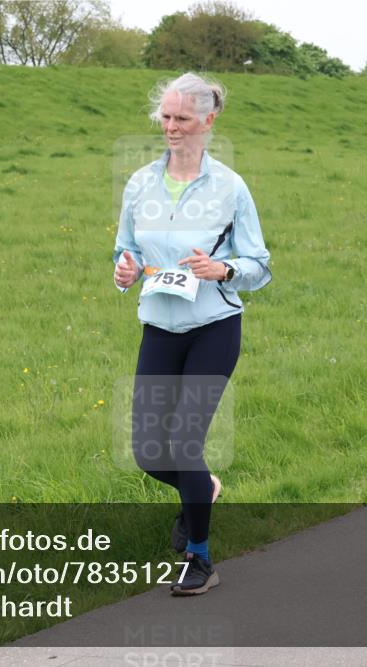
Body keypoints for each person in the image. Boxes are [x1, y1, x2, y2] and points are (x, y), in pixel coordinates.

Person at [113, 73, 271, 594]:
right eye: (166, 117)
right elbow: (125, 248)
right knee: (148, 452)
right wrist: (125, 268)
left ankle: (200, 560)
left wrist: (223, 271)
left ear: (209, 119)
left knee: (184, 442)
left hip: (214, 326)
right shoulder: (139, 183)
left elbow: (259, 265)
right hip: (159, 324)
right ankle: (202, 488)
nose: (172, 127)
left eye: (182, 118)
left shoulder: (230, 187)